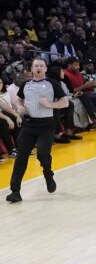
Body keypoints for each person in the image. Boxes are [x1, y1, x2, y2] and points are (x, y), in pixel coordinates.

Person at [6, 58, 64, 203]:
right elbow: (19, 100)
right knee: (21, 158)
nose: (38, 67)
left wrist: (50, 104)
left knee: (43, 155)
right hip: (29, 126)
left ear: (45, 68)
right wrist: (19, 107)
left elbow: (65, 102)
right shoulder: (26, 84)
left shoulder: (52, 84)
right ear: (31, 69)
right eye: (36, 65)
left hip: (46, 126)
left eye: (41, 65)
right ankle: (15, 191)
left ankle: (48, 174)